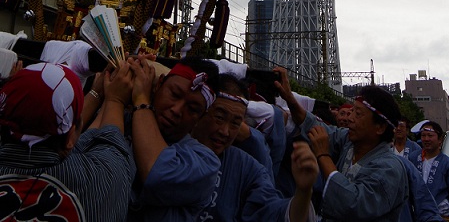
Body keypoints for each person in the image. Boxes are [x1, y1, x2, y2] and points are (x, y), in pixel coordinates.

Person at [0, 60, 133, 222]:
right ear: (71, 137)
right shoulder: (98, 182)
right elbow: (111, 144)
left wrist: (97, 94)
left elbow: (77, 139)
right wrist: (115, 100)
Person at [275, 66, 409, 221]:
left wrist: (323, 155)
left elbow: (352, 205)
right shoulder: (349, 141)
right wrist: (289, 98)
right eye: (352, 111)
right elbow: (318, 129)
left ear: (380, 127)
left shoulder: (389, 168)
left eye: (358, 114)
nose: (350, 118)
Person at [192, 72, 318, 222]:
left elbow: (273, 212)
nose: (225, 132)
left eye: (235, 123)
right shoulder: (171, 145)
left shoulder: (247, 168)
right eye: (219, 117)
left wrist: (304, 192)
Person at [127, 56, 222, 221]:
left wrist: (142, 99)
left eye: (192, 109)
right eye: (174, 94)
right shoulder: (124, 118)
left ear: (199, 119)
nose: (177, 110)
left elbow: (156, 173)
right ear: (158, 84)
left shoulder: (205, 163)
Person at [409, 121, 449, 219]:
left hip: (440, 214)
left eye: (430, 135)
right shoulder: (413, 158)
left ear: (440, 139)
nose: (426, 139)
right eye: (423, 135)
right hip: (416, 213)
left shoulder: (446, 162)